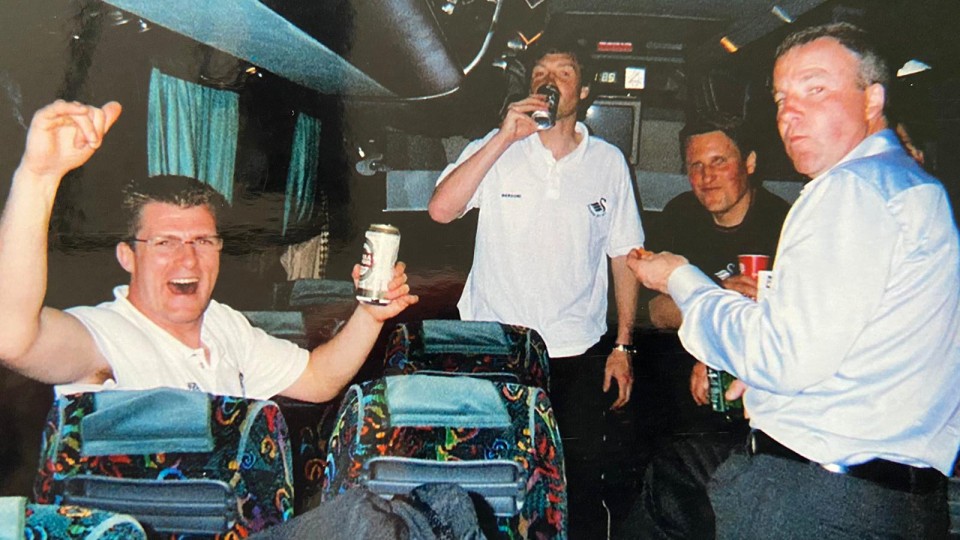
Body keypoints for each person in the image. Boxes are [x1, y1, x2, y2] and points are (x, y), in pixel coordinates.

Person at [628, 22, 960, 538]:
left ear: (872, 99)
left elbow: (781, 355)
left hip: (818, 497)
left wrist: (679, 277)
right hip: (904, 501)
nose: (789, 112)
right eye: (781, 97)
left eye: (815, 89)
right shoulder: (915, 189)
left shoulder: (848, 191)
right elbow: (859, 340)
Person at [0, 99, 418, 403]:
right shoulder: (104, 338)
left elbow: (316, 379)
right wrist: (38, 175)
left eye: (203, 241)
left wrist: (368, 313)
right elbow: (12, 339)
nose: (188, 260)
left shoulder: (223, 326)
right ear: (128, 256)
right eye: (165, 243)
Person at [427, 38, 644, 536]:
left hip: (575, 350)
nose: (549, 80)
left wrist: (623, 345)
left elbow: (623, 256)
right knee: (487, 477)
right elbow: (441, 210)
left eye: (563, 71)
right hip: (494, 346)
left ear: (583, 90)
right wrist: (503, 138)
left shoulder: (608, 163)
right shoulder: (495, 145)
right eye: (540, 72)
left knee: (575, 482)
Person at [619, 119, 790, 539]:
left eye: (718, 161)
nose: (705, 177)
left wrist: (714, 319)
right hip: (680, 409)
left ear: (749, 162)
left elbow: (796, 327)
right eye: (695, 166)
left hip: (755, 405)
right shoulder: (680, 216)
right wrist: (717, 294)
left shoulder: (784, 225)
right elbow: (654, 313)